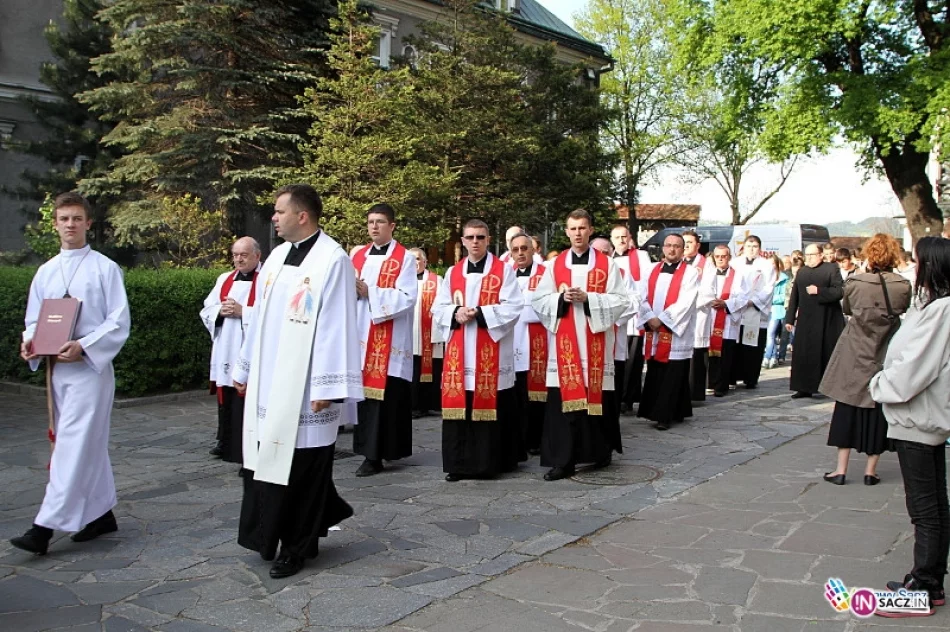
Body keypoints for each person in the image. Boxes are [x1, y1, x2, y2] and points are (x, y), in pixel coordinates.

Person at [232, 184, 362, 579]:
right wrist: (244, 368)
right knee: (268, 462)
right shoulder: (276, 257)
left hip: (307, 387)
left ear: (302, 216)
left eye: (280, 211)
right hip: (270, 381)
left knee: (304, 469)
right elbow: (258, 316)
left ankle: (297, 547)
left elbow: (337, 325)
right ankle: (268, 535)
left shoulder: (333, 260)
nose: (274, 217)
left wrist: (327, 387)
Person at [11, 192, 131, 555]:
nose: (70, 225)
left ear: (88, 223)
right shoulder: (46, 271)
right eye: (64, 219)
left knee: (72, 446)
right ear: (55, 224)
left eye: (77, 218)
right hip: (57, 372)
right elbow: (34, 320)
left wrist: (85, 345)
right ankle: (101, 515)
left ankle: (44, 527)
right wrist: (31, 343)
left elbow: (118, 321)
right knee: (85, 443)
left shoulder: (105, 269)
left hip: (90, 372)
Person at [869, 236, 950, 617]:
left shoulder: (941, 311)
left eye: (916, 262)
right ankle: (929, 580)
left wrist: (879, 385)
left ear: (930, 266)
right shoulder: (932, 306)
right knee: (931, 504)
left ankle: (924, 587)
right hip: (918, 417)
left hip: (918, 417)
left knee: (925, 508)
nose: (911, 268)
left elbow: (914, 368)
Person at [532, 210, 629, 480]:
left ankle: (598, 453)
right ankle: (562, 461)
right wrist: (561, 299)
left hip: (595, 344)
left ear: (591, 230)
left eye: (582, 228)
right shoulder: (554, 265)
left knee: (595, 404)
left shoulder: (607, 265)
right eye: (573, 228)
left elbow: (621, 300)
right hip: (564, 348)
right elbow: (539, 301)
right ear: (566, 231)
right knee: (562, 405)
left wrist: (589, 299)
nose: (577, 233)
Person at [432, 219, 524, 481]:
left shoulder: (503, 271)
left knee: (492, 404)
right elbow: (438, 308)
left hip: (491, 351)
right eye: (470, 237)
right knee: (460, 407)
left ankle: (489, 464)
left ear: (488, 240)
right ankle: (458, 464)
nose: (475, 242)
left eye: (480, 237)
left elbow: (514, 306)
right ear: (462, 241)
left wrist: (481, 313)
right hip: (459, 353)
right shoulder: (453, 272)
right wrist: (456, 312)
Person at [819, 234, 911, 485]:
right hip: (885, 349)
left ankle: (841, 469)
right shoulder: (902, 285)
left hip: (855, 348)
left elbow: (847, 309)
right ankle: (871, 471)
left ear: (869, 255)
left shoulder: (855, 282)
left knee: (846, 405)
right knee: (878, 406)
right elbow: (903, 309)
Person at [350, 203, 417, 476]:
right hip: (361, 334)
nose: (374, 226)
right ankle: (368, 451)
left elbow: (408, 297)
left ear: (392, 226)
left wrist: (371, 292)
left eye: (379, 221)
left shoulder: (405, 258)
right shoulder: (358, 257)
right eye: (370, 222)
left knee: (385, 399)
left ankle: (378, 454)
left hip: (390, 339)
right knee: (365, 399)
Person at [200, 237, 261, 463]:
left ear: (257, 255)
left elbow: (272, 314)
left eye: (244, 255)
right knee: (226, 394)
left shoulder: (266, 279)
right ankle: (225, 440)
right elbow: (207, 307)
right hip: (226, 345)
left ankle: (245, 445)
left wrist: (243, 312)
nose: (238, 259)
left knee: (247, 396)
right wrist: (219, 311)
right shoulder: (225, 279)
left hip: (249, 346)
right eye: (235, 255)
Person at [637, 234, 700, 430]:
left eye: (677, 246)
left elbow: (686, 301)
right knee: (656, 370)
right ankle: (677, 409)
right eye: (669, 245)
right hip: (653, 329)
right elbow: (640, 296)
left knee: (673, 372)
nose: (672, 249)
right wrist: (649, 317)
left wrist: (662, 320)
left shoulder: (690, 273)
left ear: (682, 250)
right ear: (663, 248)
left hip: (675, 332)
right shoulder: (650, 269)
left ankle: (664, 415)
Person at [785, 244, 845, 398]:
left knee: (826, 353)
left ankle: (827, 388)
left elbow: (839, 291)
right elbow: (795, 295)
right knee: (804, 354)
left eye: (812, 255)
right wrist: (789, 318)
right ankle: (803, 387)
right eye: (807, 255)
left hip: (827, 319)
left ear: (821, 255)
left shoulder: (831, 269)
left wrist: (819, 291)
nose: (809, 258)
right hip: (806, 319)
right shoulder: (802, 272)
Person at [510, 233, 547, 455]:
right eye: (516, 249)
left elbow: (548, 306)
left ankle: (535, 440)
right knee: (514, 394)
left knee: (534, 396)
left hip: (536, 342)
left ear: (533, 250)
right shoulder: (505, 275)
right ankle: (517, 440)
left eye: (525, 248)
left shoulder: (545, 274)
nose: (520, 253)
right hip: (510, 341)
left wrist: (521, 311)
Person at [611, 225, 652, 414]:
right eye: (617, 237)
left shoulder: (641, 256)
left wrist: (638, 306)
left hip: (634, 315)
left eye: (624, 236)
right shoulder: (608, 259)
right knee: (617, 360)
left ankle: (628, 399)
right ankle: (617, 397)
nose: (621, 240)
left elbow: (647, 283)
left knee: (633, 360)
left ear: (629, 238)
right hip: (615, 316)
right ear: (612, 240)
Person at [699, 245, 748, 397]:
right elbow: (701, 293)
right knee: (709, 354)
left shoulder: (738, 276)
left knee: (725, 355)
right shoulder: (707, 274)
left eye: (723, 256)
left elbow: (743, 297)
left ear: (729, 257)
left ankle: (721, 386)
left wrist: (726, 304)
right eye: (717, 256)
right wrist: (710, 301)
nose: (720, 259)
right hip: (710, 318)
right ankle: (710, 383)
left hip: (727, 320)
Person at [730, 235, 777, 388]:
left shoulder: (766, 265)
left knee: (753, 347)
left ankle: (750, 378)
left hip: (755, 310)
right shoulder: (734, 263)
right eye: (749, 246)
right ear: (743, 247)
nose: (751, 249)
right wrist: (739, 301)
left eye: (755, 246)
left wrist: (754, 301)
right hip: (738, 309)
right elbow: (731, 284)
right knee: (735, 345)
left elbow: (769, 287)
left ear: (759, 248)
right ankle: (732, 377)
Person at [410, 247, 443, 419]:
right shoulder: (401, 281)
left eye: (417, 259)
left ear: (425, 261)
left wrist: (438, 334)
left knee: (432, 371)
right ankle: (413, 406)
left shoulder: (437, 281)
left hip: (430, 336)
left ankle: (430, 405)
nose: (414, 262)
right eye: (411, 259)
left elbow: (442, 307)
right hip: (410, 336)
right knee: (413, 372)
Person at [683, 230, 709, 400]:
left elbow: (709, 291)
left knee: (697, 355)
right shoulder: (677, 263)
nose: (686, 246)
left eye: (690, 242)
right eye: (684, 242)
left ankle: (695, 393)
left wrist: (688, 304)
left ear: (698, 245)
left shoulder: (707, 265)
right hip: (679, 317)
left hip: (698, 313)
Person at [762, 253, 789, 369]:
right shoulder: (764, 278)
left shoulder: (784, 278)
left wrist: (771, 298)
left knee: (771, 334)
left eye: (773, 263)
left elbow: (784, 296)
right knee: (770, 335)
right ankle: (773, 356)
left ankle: (767, 357)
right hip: (766, 310)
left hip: (777, 310)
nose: (771, 266)